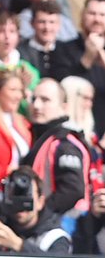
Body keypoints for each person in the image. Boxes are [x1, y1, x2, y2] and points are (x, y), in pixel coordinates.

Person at [0, 167, 72, 256]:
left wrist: (18, 245)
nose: (20, 203)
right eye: (15, 196)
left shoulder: (54, 237)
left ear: (40, 202)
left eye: (27, 196)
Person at [22, 78, 93, 219]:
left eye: (45, 100)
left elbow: (72, 191)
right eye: (34, 99)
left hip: (66, 227)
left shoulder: (65, 143)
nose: (36, 105)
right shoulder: (44, 137)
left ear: (64, 107)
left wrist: (38, 217)